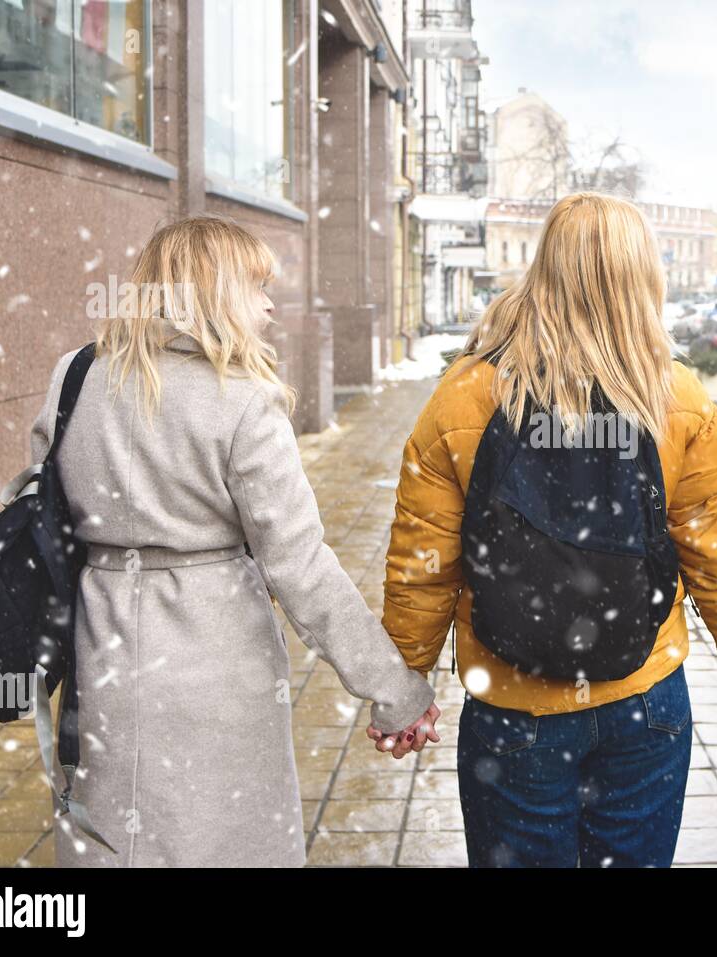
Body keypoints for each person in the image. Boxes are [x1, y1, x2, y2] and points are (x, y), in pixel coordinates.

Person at [378, 193, 717, 867]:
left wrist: (402, 688)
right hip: (644, 696)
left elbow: (425, 561)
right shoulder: (676, 400)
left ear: (543, 270)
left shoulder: (466, 394)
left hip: (512, 702)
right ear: (642, 277)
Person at [33, 216, 437, 867]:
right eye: (254, 286)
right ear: (210, 293)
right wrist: (395, 690)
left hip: (98, 659)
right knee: (216, 837)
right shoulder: (243, 401)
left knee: (115, 833)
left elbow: (40, 508)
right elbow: (302, 570)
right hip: (217, 664)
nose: (270, 303)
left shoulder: (74, 377)